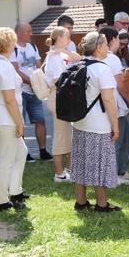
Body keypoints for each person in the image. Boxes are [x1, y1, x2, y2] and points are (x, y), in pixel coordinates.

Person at [71, 32, 121, 212]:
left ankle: (81, 201)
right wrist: (115, 124)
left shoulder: (79, 65)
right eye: (106, 44)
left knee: (81, 161)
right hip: (98, 123)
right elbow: (108, 99)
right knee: (100, 163)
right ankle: (101, 204)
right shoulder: (102, 68)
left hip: (79, 121)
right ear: (98, 47)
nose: (108, 47)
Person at [0, 27, 29, 213]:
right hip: (5, 119)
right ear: (9, 44)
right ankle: (1, 202)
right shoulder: (3, 65)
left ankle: (16, 191)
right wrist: (20, 123)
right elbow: (9, 99)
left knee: (21, 152)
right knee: (5, 160)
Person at [98, 27, 129, 186]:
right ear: (113, 39)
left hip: (108, 103)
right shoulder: (112, 59)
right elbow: (120, 86)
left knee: (127, 135)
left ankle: (121, 171)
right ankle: (114, 174)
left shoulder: (105, 57)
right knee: (119, 139)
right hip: (115, 103)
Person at [44, 26, 81, 182]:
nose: (69, 39)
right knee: (60, 137)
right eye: (67, 36)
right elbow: (59, 83)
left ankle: (69, 170)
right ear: (59, 38)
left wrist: (62, 51)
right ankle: (59, 174)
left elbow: (78, 57)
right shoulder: (54, 59)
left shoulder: (57, 56)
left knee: (67, 136)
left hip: (60, 99)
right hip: (57, 99)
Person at [11, 22, 52, 162]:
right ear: (19, 33)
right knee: (20, 123)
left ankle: (43, 150)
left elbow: (39, 66)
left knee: (40, 121)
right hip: (21, 91)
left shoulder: (32, 47)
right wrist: (33, 82)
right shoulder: (13, 49)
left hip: (35, 92)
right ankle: (23, 153)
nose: (31, 33)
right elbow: (15, 71)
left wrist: (40, 80)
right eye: (28, 31)